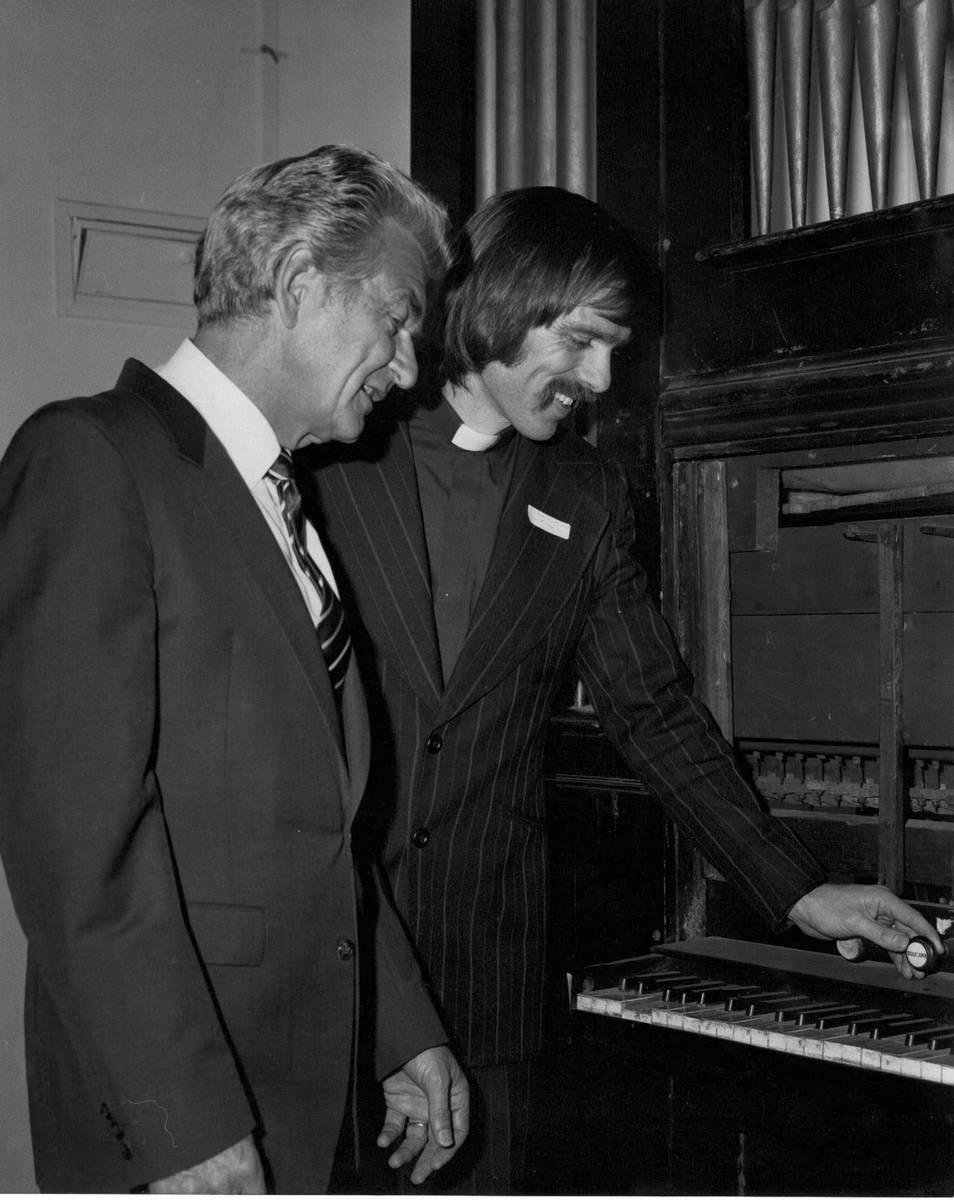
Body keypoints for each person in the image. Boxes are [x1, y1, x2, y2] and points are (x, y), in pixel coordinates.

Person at [302, 186, 945, 1194]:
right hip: (320, 970)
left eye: (617, 351)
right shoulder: (332, 458)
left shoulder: (585, 497)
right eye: (585, 341)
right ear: (506, 303)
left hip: (482, 982)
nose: (599, 380)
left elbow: (657, 715)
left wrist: (800, 889)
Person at [0, 145, 470, 1194]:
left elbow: (315, 829)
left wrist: (402, 1027)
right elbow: (78, 851)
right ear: (302, 286)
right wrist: (184, 1124)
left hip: (305, 1094)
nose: (406, 365)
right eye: (396, 320)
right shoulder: (90, 460)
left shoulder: (286, 499)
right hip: (181, 1124)